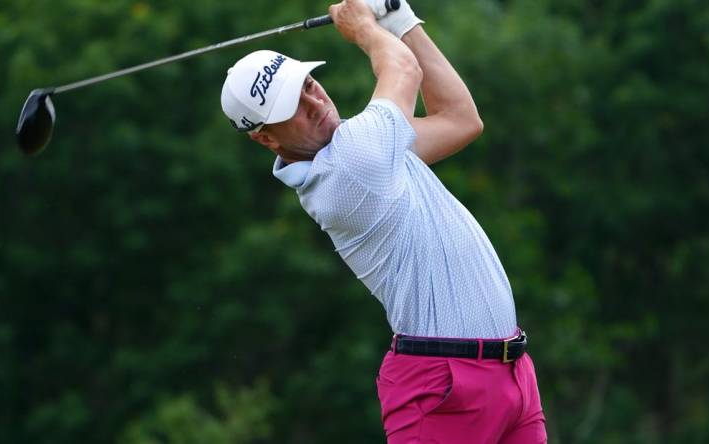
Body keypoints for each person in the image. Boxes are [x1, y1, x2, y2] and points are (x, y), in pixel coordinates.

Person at [220, 0, 547, 442]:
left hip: (511, 373)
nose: (314, 103)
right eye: (292, 108)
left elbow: (460, 119)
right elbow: (403, 71)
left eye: (309, 85)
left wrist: (401, 20)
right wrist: (364, 28)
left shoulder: (367, 149)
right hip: (443, 388)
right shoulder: (351, 164)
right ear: (266, 139)